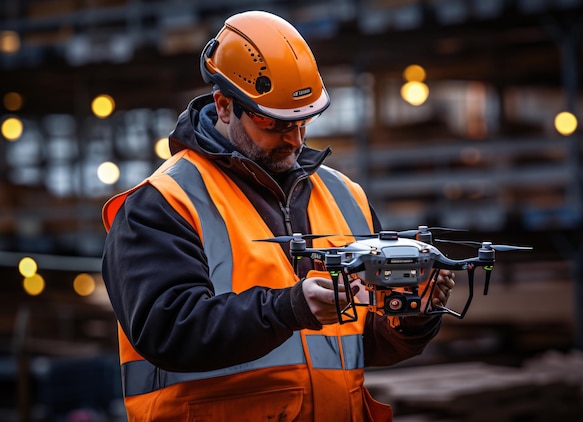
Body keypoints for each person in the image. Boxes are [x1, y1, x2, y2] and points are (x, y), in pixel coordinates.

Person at [101, 10, 455, 422]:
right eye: (274, 123)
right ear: (224, 105)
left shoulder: (346, 197)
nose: (295, 138)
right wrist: (289, 308)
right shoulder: (162, 203)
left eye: (303, 120)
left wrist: (409, 315)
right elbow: (169, 330)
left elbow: (364, 341)